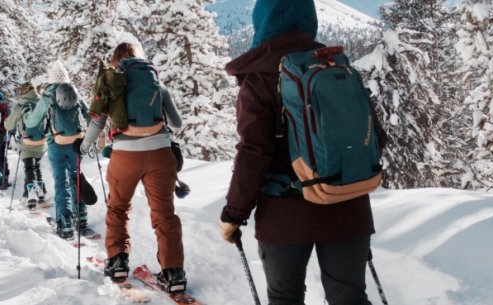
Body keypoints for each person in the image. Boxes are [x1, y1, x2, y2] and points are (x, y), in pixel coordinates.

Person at [217, 1, 384, 304]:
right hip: (348, 206)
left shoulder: (260, 76)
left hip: (285, 214)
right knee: (350, 298)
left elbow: (254, 152)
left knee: (285, 298)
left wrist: (234, 213)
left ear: (262, 21)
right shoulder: (336, 65)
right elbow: (376, 138)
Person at [78, 42, 186, 292]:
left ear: (116, 62)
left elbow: (96, 124)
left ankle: (117, 261)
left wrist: (83, 149)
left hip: (125, 155)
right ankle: (174, 274)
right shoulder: (155, 83)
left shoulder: (113, 84)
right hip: (160, 154)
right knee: (165, 214)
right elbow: (177, 123)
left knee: (117, 207)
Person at [23, 60, 92, 239]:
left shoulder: (48, 95)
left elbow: (32, 122)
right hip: (76, 142)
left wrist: (26, 115)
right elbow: (90, 115)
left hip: (56, 143)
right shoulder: (74, 91)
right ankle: (81, 217)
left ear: (52, 79)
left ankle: (65, 222)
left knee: (61, 182)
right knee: (76, 177)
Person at [4, 82, 48, 209]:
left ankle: (31, 193)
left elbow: (8, 126)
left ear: (23, 92)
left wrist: (7, 120)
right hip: (41, 141)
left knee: (29, 167)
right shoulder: (41, 103)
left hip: (27, 142)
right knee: (36, 166)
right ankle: (40, 193)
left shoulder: (20, 106)